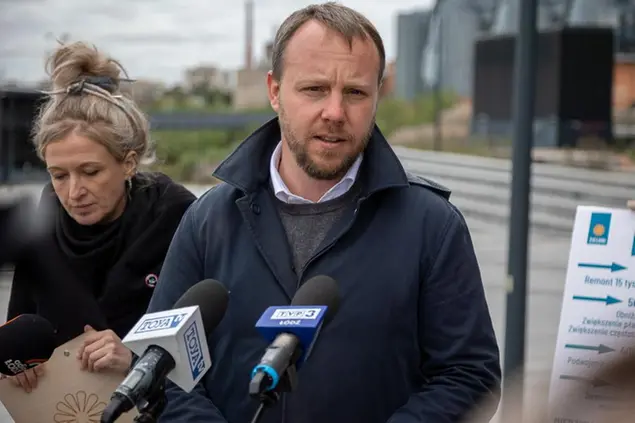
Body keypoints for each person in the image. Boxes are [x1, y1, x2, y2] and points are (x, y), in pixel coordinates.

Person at [147, 3, 501, 423]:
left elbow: (469, 375)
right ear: (274, 91)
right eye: (314, 89)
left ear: (377, 96)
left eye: (354, 92)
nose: (335, 112)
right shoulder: (207, 222)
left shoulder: (432, 226)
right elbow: (163, 370)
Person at [0, 41, 196, 393]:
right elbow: (18, 329)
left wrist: (134, 360)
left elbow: (208, 347)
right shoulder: (39, 226)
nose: (74, 192)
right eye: (59, 175)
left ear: (129, 163)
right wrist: (15, 367)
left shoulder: (177, 216)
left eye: (90, 172)